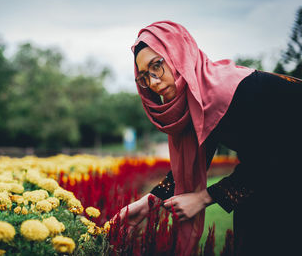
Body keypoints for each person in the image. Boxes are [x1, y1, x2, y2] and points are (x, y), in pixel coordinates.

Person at [113, 20, 302, 256]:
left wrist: (204, 197)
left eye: (157, 66)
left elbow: (275, 158)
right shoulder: (198, 99)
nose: (153, 82)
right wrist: (149, 202)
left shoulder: (231, 91)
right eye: (144, 77)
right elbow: (193, 161)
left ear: (178, 54)